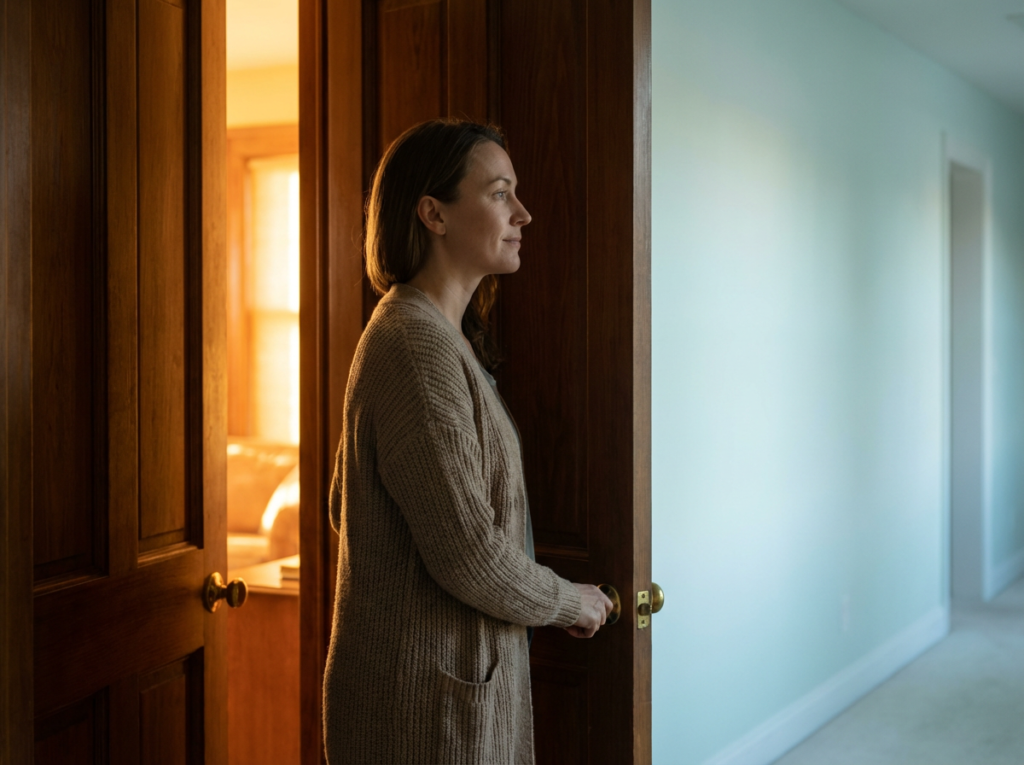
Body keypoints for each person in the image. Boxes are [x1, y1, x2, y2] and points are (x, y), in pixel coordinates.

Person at [322, 119, 614, 764]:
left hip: (443, 691)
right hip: (423, 712)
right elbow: (469, 556)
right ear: (434, 214)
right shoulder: (415, 345)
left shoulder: (433, 335)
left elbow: (350, 503)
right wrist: (568, 599)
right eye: (500, 193)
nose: (524, 214)